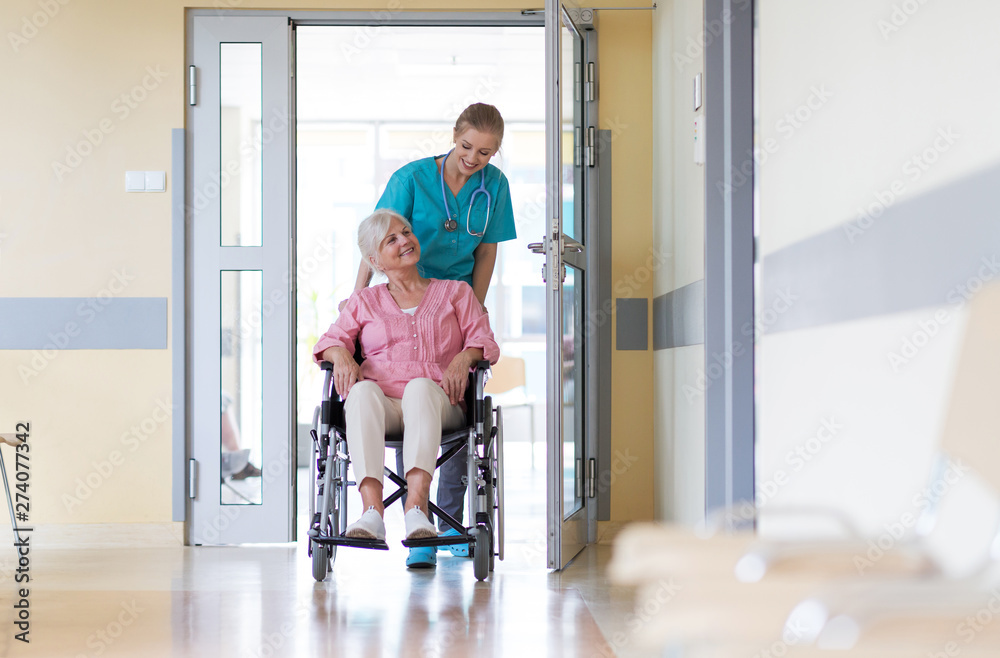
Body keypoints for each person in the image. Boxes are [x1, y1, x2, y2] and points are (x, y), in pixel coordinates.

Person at [343, 103, 516, 568]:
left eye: (486, 152)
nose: (474, 158)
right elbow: (378, 236)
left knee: (439, 396)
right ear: (454, 136)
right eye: (467, 147)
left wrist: (471, 316)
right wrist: (355, 313)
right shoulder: (412, 179)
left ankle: (440, 528)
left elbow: (486, 252)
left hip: (451, 302)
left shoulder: (493, 187)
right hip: (397, 291)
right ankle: (379, 514)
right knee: (388, 391)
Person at [314, 210, 500, 553]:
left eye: (407, 232)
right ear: (374, 260)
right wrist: (340, 355)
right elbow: (330, 341)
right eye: (392, 239)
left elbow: (484, 341)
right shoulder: (363, 301)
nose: (405, 241)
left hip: (441, 402)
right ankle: (371, 512)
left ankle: (417, 508)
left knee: (418, 388)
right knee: (362, 391)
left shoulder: (455, 292)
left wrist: (464, 357)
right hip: (382, 406)